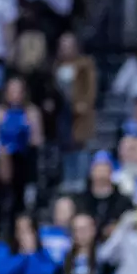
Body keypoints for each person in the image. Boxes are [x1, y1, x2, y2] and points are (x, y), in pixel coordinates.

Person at [0, 76, 43, 223]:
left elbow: (37, 140)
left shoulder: (32, 112)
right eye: (11, 90)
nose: (15, 94)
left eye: (18, 91)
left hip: (24, 158)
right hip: (2, 159)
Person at [53, 33, 96, 188]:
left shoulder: (85, 64)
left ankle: (81, 181)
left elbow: (90, 87)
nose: (66, 49)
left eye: (69, 45)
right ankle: (67, 180)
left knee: (80, 145)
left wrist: (84, 103)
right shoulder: (55, 65)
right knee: (66, 146)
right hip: (63, 112)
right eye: (63, 46)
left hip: (80, 113)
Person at [75, 151, 132, 236]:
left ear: (111, 172)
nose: (101, 174)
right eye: (98, 169)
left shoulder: (124, 201)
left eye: (105, 169)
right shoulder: (81, 201)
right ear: (91, 172)